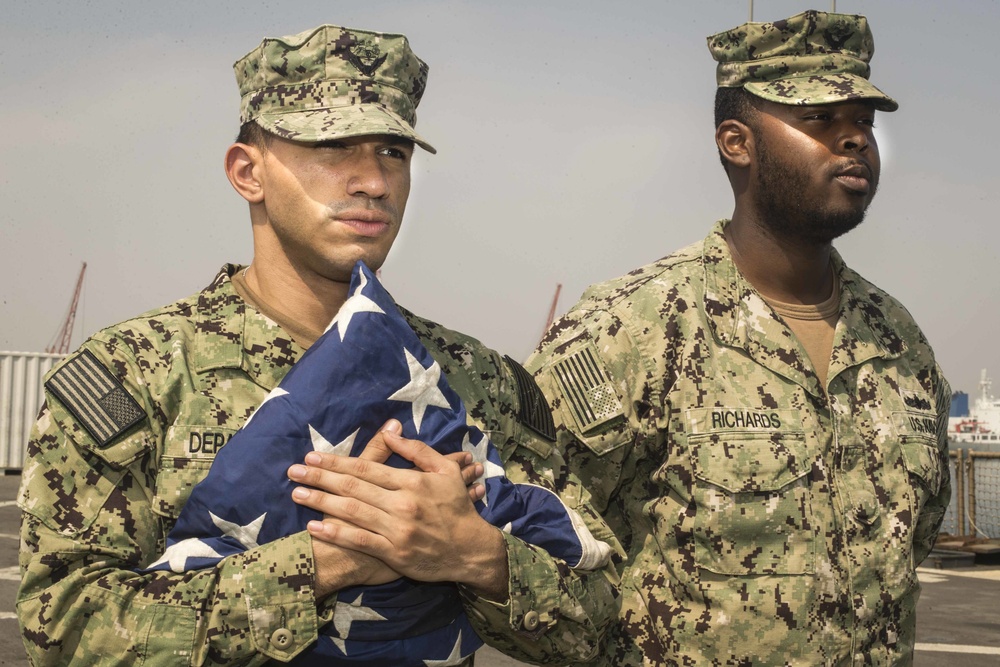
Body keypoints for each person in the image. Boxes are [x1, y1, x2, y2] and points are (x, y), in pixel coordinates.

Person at [17, 24, 619, 665]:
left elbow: (605, 615)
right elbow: (66, 627)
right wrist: (325, 562)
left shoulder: (480, 381)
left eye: (393, 151)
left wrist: (472, 553)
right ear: (247, 172)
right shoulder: (138, 374)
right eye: (332, 145)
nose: (374, 181)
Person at [526, 10, 950, 666]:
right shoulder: (630, 331)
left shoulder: (900, 345)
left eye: (863, 122)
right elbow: (525, 545)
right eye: (819, 120)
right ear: (737, 142)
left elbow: (908, 545)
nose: (855, 141)